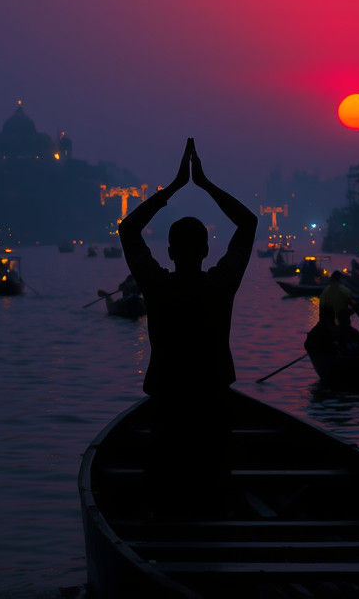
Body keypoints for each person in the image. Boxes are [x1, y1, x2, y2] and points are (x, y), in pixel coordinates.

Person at [119, 138, 257, 512]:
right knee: (213, 482)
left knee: (166, 489)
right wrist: (205, 184)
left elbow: (128, 231)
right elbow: (248, 223)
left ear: (169, 253)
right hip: (212, 401)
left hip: (169, 401)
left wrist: (175, 186)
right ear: (206, 251)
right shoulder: (220, 284)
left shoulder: (158, 286)